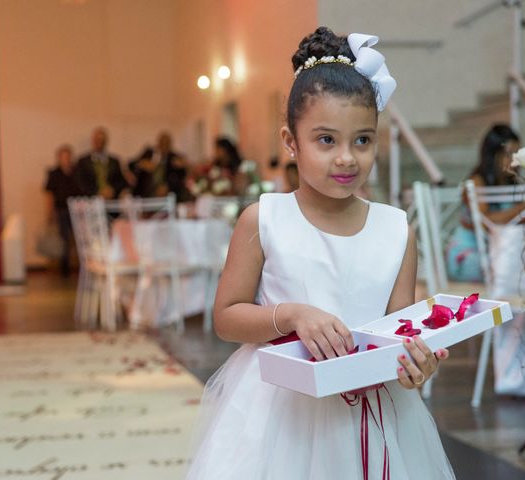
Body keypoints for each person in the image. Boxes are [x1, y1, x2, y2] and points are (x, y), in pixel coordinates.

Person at [187, 27, 454, 479]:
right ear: (291, 142)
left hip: (375, 410)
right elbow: (227, 317)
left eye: (362, 140)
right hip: (280, 414)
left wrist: (415, 364)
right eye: (326, 140)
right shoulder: (263, 218)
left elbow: (400, 329)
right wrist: (291, 316)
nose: (347, 158)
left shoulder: (395, 229)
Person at [446, 124, 524, 282]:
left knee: (521, 263)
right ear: (493, 154)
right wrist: (524, 209)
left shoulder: (512, 185)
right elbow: (487, 222)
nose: (515, 161)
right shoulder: (476, 182)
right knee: (513, 268)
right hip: (469, 253)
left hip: (500, 252)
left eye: (518, 155)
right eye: (509, 154)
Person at [44, 144, 80, 276]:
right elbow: (50, 194)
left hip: (75, 210)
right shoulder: (54, 173)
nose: (66, 159)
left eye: (68, 156)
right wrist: (50, 212)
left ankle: (80, 264)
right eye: (63, 157)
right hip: (61, 209)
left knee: (77, 238)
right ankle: (64, 268)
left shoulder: (76, 172)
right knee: (63, 238)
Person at [74, 127, 129, 199]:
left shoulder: (115, 161)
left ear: (106, 141)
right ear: (93, 141)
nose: (100, 143)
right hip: (90, 201)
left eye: (102, 140)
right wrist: (97, 192)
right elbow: (80, 183)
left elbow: (120, 181)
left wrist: (112, 190)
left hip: (111, 200)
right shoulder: (82, 161)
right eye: (97, 140)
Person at [151, 132, 191, 201]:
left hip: (170, 191)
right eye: (162, 143)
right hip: (151, 190)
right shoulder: (151, 155)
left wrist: (167, 187)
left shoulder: (175, 158)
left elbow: (181, 177)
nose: (164, 146)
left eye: (166, 143)